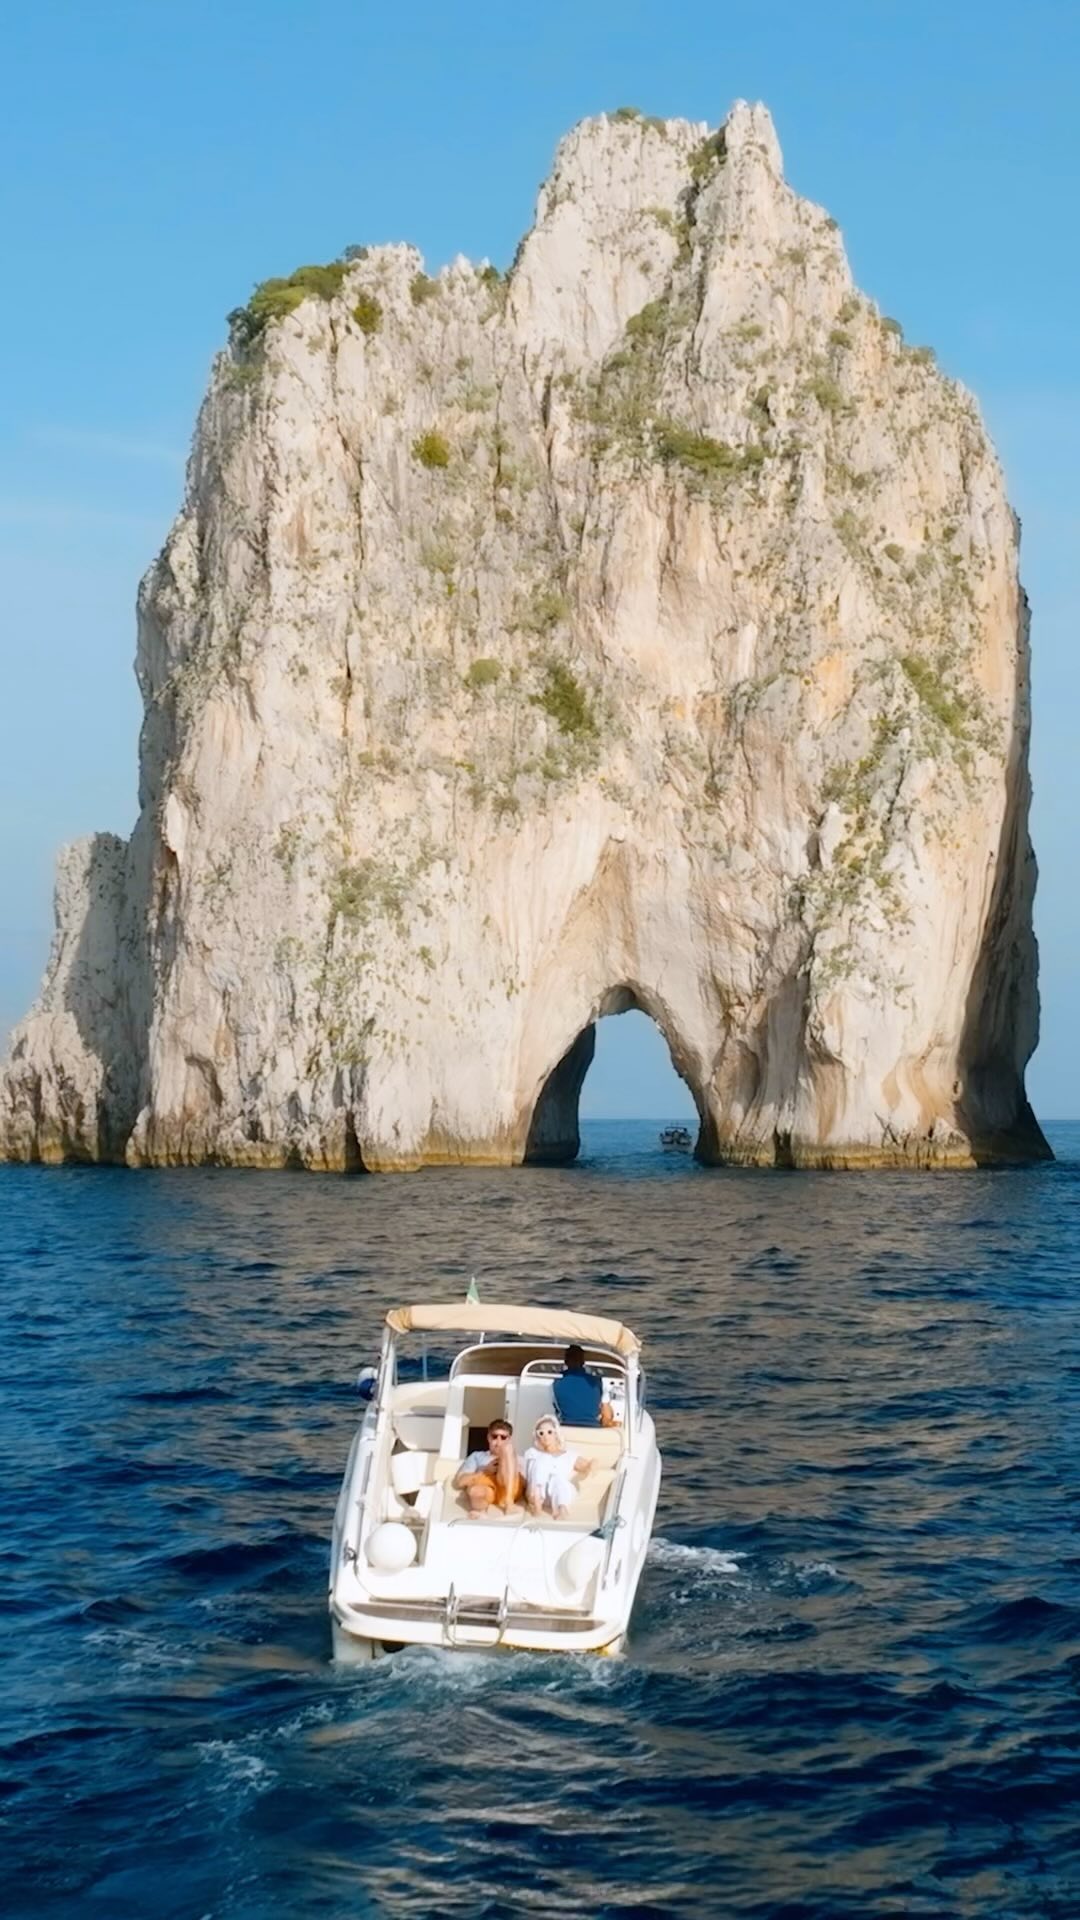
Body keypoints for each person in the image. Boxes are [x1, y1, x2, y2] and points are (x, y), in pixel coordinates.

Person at [524, 1416, 593, 1520]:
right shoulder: (533, 1453)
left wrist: (593, 1464)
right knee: (543, 1458)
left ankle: (562, 1510)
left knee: (558, 1479)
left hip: (562, 1491)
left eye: (549, 1432)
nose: (545, 1436)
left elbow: (587, 1466)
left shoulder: (569, 1455)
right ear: (537, 1436)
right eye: (541, 1433)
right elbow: (528, 1476)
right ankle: (537, 1506)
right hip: (539, 1493)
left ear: (556, 1433)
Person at [453, 1419, 525, 1515]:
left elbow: (529, 1484)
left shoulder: (517, 1459)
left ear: (509, 1439)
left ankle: (509, 1502)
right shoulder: (477, 1456)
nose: (498, 1442)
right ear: (488, 1438)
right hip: (487, 1490)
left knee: (508, 1449)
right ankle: (480, 1513)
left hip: (508, 1490)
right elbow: (460, 1482)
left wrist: (510, 1468)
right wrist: (485, 1470)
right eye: (494, 1436)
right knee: (475, 1491)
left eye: (503, 1437)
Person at [553, 1344, 616, 1427]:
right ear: (583, 1362)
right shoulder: (598, 1382)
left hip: (566, 1430)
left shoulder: (556, 1382)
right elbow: (607, 1417)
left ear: (566, 1361)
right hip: (592, 1431)